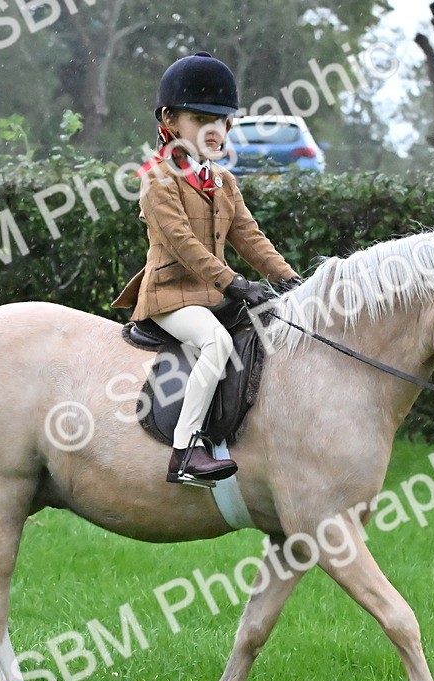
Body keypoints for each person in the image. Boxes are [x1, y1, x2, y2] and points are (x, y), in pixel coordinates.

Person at [113, 52, 301, 486]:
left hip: (212, 295)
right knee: (215, 342)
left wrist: (290, 280)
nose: (217, 131)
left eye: (224, 121)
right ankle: (186, 450)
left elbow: (250, 238)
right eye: (202, 119)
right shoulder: (157, 178)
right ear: (170, 120)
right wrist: (234, 283)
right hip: (170, 295)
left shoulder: (222, 181)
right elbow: (184, 245)